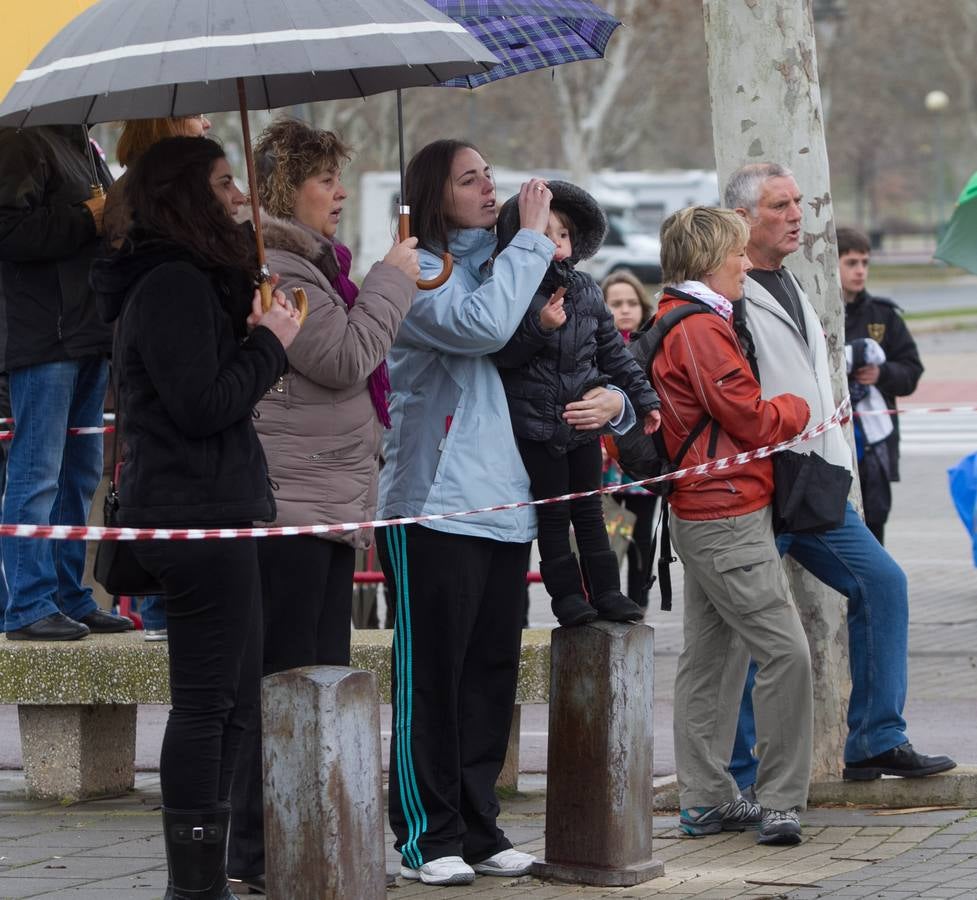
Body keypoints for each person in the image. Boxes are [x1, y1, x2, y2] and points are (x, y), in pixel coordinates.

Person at [376, 139, 636, 887]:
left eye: (490, 174)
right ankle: (428, 834)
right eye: (469, 179)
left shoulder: (512, 261)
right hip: (433, 506)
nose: (490, 187)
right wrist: (526, 239)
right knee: (433, 676)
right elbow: (482, 326)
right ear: (434, 195)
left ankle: (480, 826)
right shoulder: (416, 267)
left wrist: (613, 403)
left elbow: (584, 350)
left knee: (490, 673)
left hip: (507, 502)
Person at [90, 135, 300, 899]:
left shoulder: (187, 282)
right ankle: (194, 883)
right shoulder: (171, 282)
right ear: (185, 197)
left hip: (210, 506)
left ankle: (202, 874)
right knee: (210, 704)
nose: (240, 196)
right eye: (223, 183)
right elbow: (202, 404)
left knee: (234, 702)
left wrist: (247, 333)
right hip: (193, 512)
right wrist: (271, 347)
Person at [225, 118, 419, 895]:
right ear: (284, 189)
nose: (339, 193)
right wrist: (393, 277)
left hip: (324, 500)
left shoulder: (310, 266)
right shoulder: (282, 271)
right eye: (323, 180)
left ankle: (298, 841)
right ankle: (260, 852)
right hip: (292, 506)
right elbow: (341, 357)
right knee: (286, 682)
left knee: (317, 678)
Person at [725, 162, 955, 792]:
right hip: (752, 488)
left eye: (798, 201)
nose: (797, 214)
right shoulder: (724, 290)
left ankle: (877, 738)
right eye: (780, 205)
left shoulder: (794, 280)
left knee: (884, 584)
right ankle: (739, 776)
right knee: (750, 633)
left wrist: (839, 459)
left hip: (818, 482)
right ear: (742, 218)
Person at [654, 206, 813, 845]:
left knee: (714, 659)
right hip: (725, 512)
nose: (747, 265)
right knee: (785, 652)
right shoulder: (699, 328)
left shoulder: (682, 317)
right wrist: (799, 406)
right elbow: (748, 417)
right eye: (737, 254)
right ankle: (778, 800)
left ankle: (704, 798)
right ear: (709, 259)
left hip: (707, 509)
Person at [493, 183, 661, 627]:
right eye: (544, 233)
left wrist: (645, 400)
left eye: (563, 234)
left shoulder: (587, 290)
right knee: (553, 515)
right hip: (538, 428)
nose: (556, 243)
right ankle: (566, 595)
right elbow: (503, 355)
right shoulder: (513, 288)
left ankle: (607, 590)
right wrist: (541, 327)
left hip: (584, 427)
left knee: (590, 510)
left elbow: (614, 352)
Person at [0, 125, 133, 640]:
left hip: (84, 332)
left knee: (77, 475)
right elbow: (9, 232)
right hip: (44, 338)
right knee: (37, 473)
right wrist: (88, 218)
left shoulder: (84, 145)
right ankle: (29, 603)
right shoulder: (22, 141)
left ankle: (67, 593)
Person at [103, 114, 214, 643]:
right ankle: (158, 614)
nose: (207, 121)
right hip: (157, 416)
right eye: (195, 116)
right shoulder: (143, 213)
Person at [838, 226, 923, 545]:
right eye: (851, 263)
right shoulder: (817, 310)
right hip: (835, 444)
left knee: (874, 523)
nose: (860, 271)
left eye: (864, 262)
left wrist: (882, 374)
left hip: (875, 446)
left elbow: (912, 371)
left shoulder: (883, 315)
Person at [601, 269, 659, 609]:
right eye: (615, 303)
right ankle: (609, 600)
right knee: (611, 535)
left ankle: (639, 605)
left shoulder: (650, 344)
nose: (624, 310)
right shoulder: (594, 345)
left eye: (631, 302)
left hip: (641, 461)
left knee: (641, 537)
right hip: (607, 463)